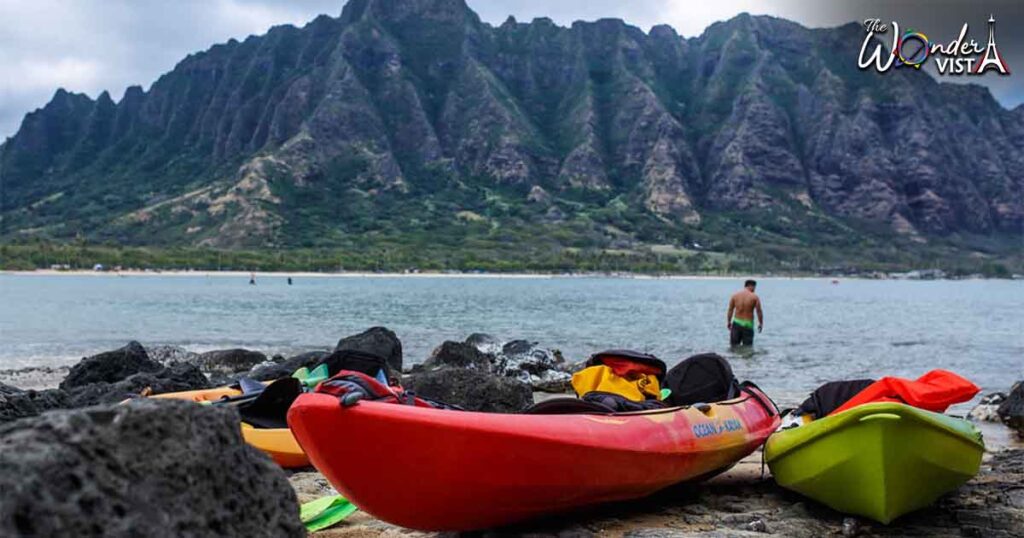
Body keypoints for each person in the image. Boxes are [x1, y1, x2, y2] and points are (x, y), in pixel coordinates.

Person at [727, 279, 763, 347]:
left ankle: (733, 358)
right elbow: (759, 311)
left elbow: (730, 310)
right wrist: (761, 323)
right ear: (750, 286)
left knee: (733, 346)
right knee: (748, 347)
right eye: (754, 287)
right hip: (748, 325)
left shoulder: (735, 296)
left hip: (737, 323)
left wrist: (729, 322)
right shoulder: (754, 297)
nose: (754, 289)